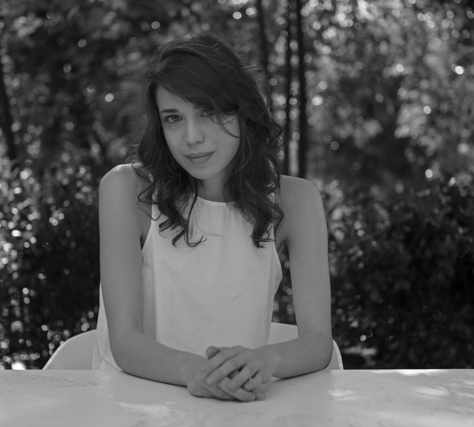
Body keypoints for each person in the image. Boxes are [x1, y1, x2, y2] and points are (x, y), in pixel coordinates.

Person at [92, 34, 332, 402]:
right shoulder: (127, 190)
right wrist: (197, 372)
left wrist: (264, 361)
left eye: (208, 112)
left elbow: (318, 342)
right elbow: (124, 341)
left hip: (239, 407)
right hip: (134, 405)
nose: (192, 137)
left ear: (242, 110)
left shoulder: (296, 201)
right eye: (174, 118)